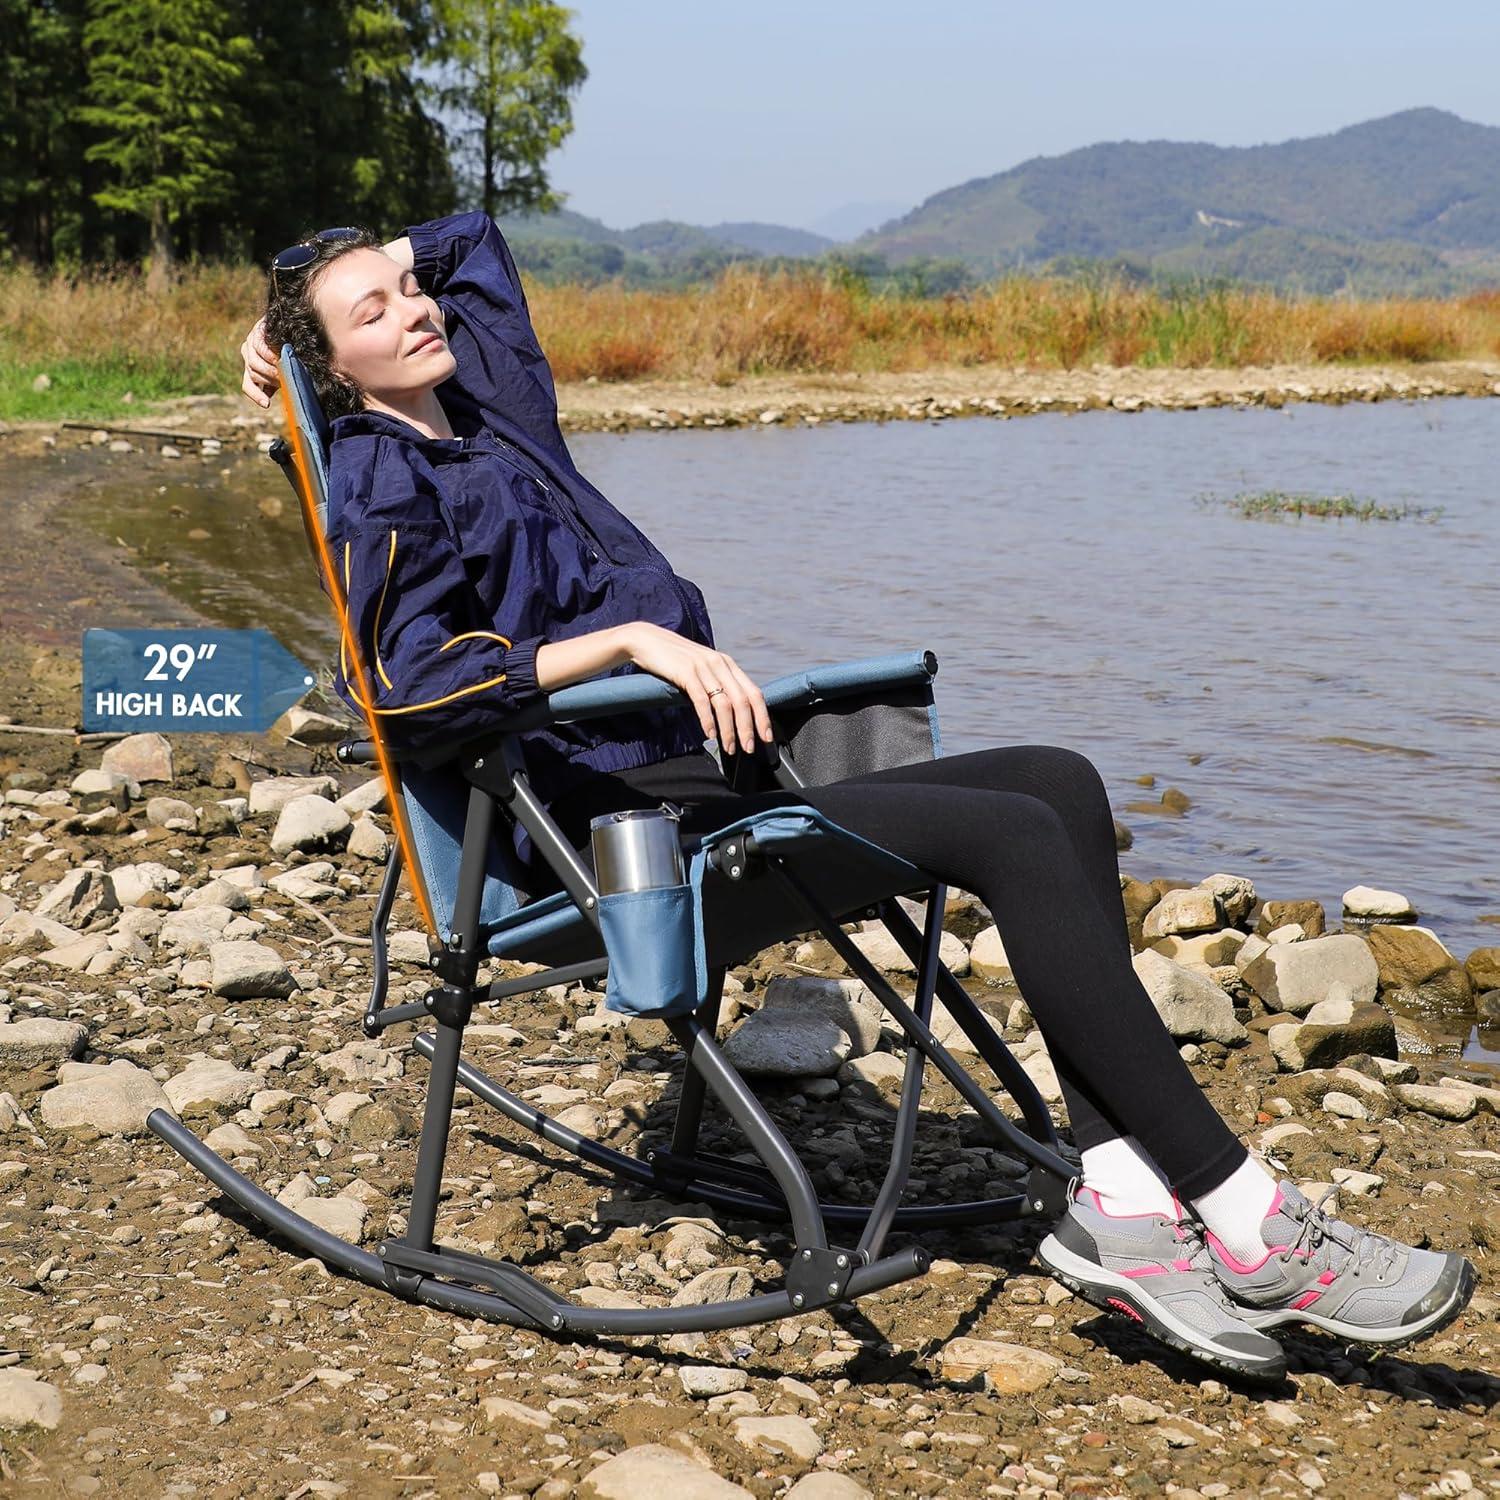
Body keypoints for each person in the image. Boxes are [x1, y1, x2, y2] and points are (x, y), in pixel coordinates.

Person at [241, 212, 1477, 1382]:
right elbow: (405, 687)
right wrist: (629, 643)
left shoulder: (492, 412)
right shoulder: (376, 472)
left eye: (409, 290)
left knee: (1066, 782)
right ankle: (1250, 1218)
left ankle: (1123, 1199)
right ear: (338, 373)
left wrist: (319, 287)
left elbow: (471, 253)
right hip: (629, 849)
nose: (415, 308)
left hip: (717, 784)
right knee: (1008, 833)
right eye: (374, 312)